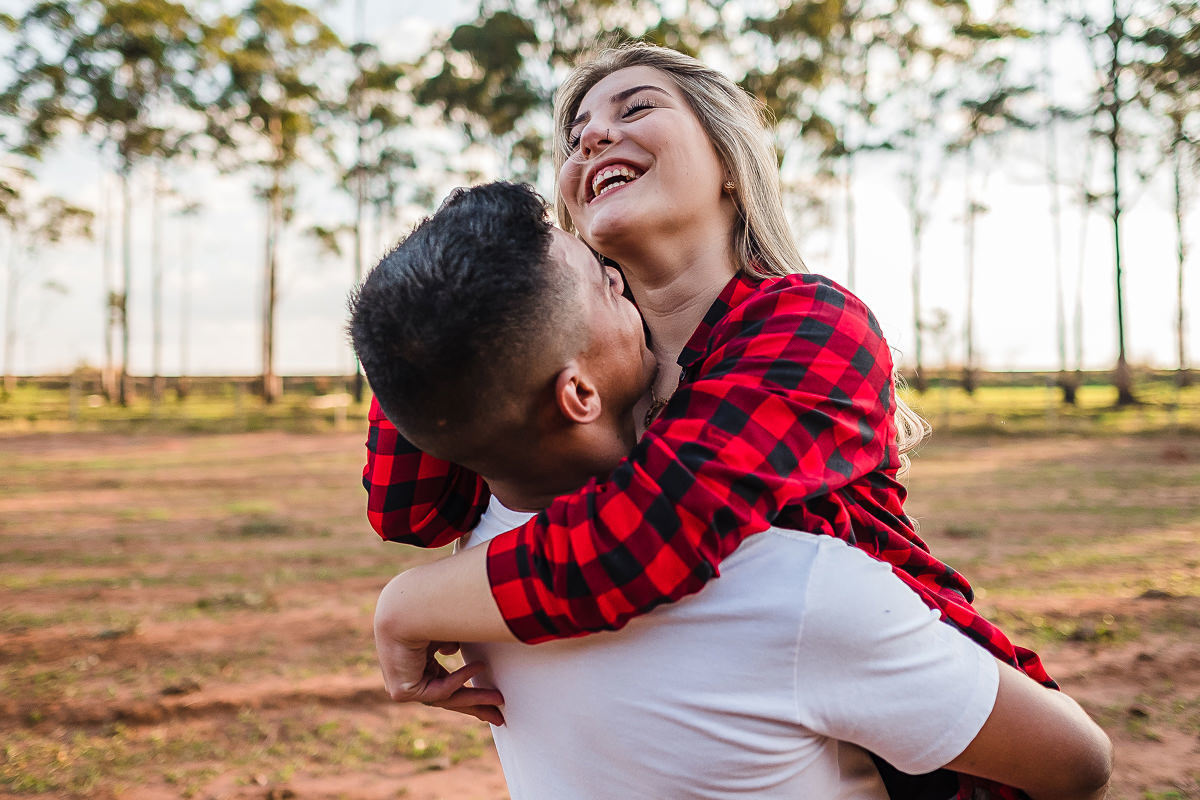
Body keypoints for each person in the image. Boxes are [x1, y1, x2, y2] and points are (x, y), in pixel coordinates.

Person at [360, 43, 1062, 798]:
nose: (592, 137)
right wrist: (462, 290)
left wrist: (407, 604)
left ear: (729, 161)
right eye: (574, 137)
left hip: (935, 757)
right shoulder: (584, 367)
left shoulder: (809, 324)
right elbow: (408, 505)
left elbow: (646, 535)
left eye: (637, 108)